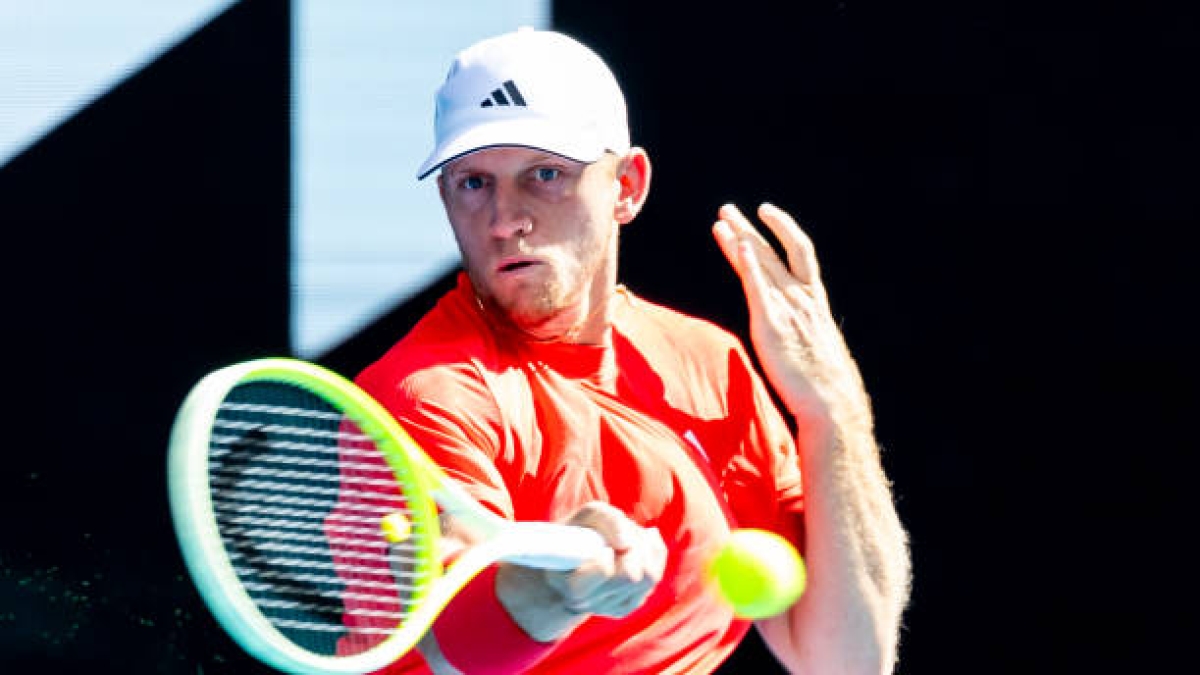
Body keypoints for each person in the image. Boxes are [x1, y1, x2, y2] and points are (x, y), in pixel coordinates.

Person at [344, 27, 911, 674]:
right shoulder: (424, 396)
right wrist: (556, 593)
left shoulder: (710, 366)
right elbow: (459, 645)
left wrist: (834, 410)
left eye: (545, 174)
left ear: (627, 185)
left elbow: (850, 660)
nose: (504, 219)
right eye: (473, 183)